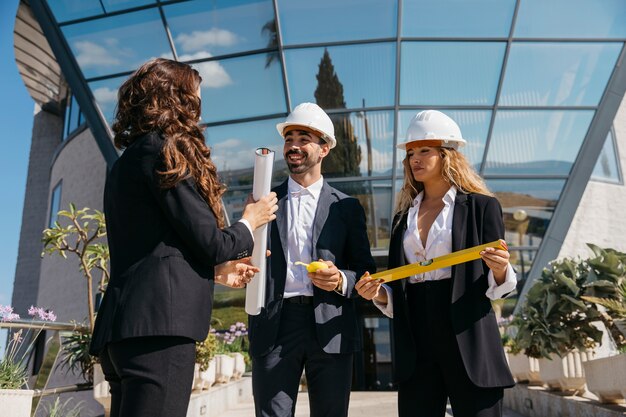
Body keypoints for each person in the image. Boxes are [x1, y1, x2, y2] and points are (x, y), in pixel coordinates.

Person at [89, 58, 278, 417]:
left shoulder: (127, 160)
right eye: (196, 97)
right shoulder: (162, 152)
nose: (199, 108)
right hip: (159, 334)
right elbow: (212, 242)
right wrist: (249, 222)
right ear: (175, 99)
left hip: (125, 330)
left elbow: (158, 247)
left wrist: (217, 272)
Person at [356, 110, 516, 417]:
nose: (415, 159)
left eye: (425, 151)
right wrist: (376, 293)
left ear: (447, 155)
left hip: (467, 331)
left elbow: (499, 285)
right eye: (411, 153)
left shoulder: (482, 207)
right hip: (415, 335)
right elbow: (400, 287)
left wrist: (499, 269)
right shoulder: (403, 217)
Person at [248, 102, 376, 417]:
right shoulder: (263, 201)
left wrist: (341, 279)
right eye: (289, 138)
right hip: (275, 325)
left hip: (331, 324)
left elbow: (366, 272)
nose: (293, 145)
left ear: (324, 149)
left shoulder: (347, 207)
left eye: (303, 138)